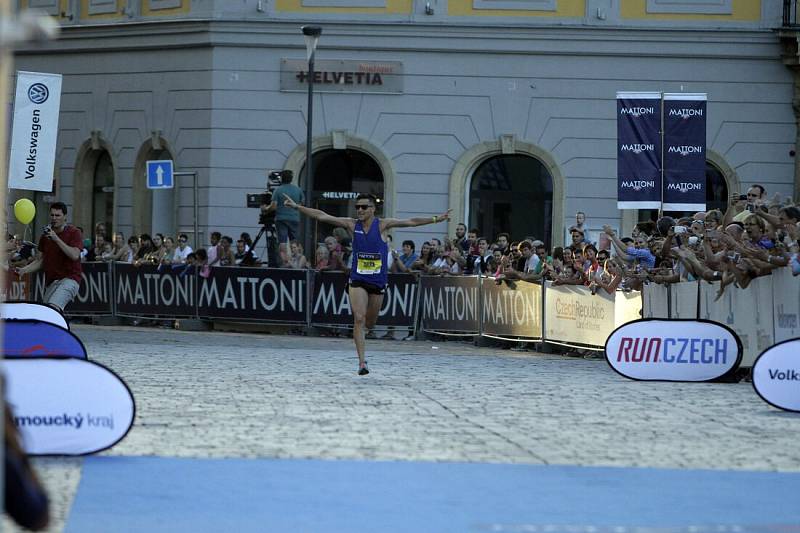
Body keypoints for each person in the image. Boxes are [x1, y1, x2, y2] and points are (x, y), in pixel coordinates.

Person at [283, 192, 450, 375]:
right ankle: (362, 362)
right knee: (359, 318)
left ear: (372, 209)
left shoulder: (383, 224)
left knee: (370, 323)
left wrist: (437, 218)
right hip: (358, 279)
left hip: (377, 281)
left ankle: (365, 340)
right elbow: (322, 215)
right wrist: (297, 207)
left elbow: (411, 221)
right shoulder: (351, 224)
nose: (359, 210)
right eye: (357, 207)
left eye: (363, 207)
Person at [15, 202, 83, 311]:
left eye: (58, 215)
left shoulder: (74, 232)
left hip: (70, 279)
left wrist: (56, 239)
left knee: (53, 308)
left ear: (65, 217)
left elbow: (75, 255)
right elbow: (41, 260)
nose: (54, 218)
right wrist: (24, 270)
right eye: (52, 215)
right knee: (46, 313)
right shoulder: (45, 236)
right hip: (52, 281)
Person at [261, 170, 304, 267]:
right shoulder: (298, 190)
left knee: (283, 242)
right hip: (294, 218)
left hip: (281, 218)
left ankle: (285, 263)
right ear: (291, 178)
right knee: (295, 241)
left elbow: (273, 206)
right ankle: (297, 262)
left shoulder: (278, 190)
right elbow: (301, 204)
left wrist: (265, 209)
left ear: (281, 178)